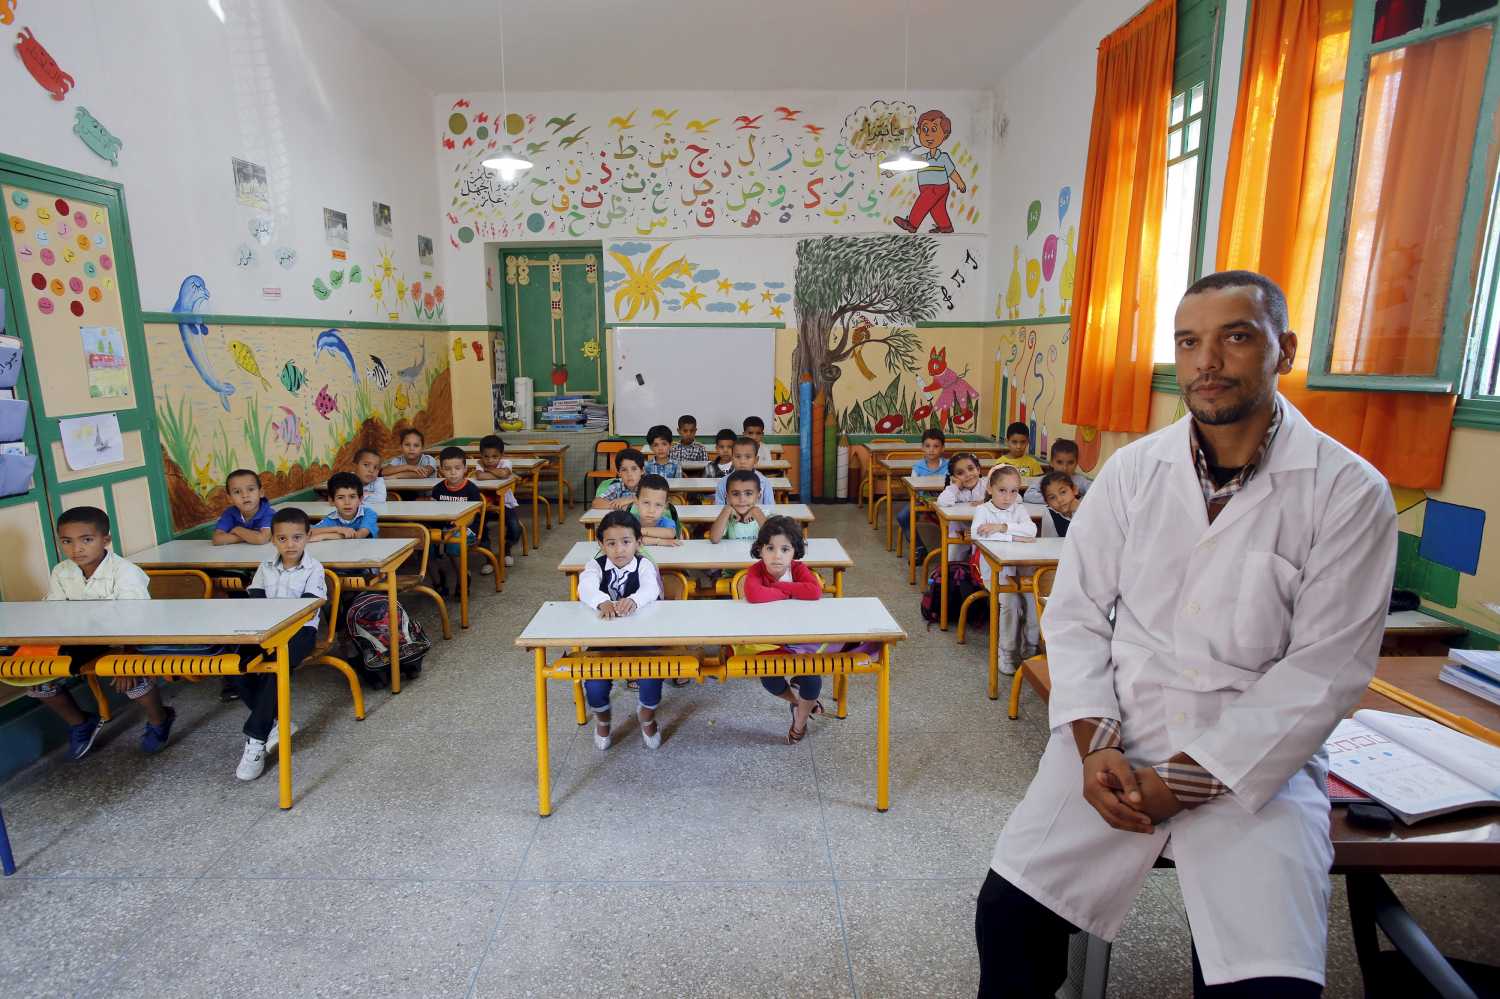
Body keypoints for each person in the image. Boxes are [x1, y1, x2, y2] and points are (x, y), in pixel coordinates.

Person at [975, 271, 1398, 997]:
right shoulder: (1135, 472)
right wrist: (1096, 741)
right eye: (1189, 342)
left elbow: (1326, 670)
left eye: (1236, 337)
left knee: (1263, 984)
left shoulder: (1347, 490)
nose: (1208, 361)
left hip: (1254, 765)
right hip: (1118, 740)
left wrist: (1185, 779)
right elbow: (1074, 613)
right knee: (1007, 920)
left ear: (1284, 350)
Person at [15, 507, 176, 758]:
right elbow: (53, 614)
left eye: (86, 540)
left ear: (106, 540)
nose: (76, 549)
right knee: (36, 675)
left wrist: (127, 655)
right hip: (80, 640)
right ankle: (81, 722)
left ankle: (159, 719)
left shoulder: (125, 573)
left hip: (127, 639)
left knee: (129, 674)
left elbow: (139, 622)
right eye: (67, 542)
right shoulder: (62, 571)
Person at [233, 507, 326, 781]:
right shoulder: (265, 567)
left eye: (297, 537)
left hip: (300, 633)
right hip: (265, 631)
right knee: (235, 665)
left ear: (308, 536)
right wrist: (269, 632)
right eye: (282, 539)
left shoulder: (314, 568)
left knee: (278, 666)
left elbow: (306, 608)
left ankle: (256, 737)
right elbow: (257, 602)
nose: (290, 544)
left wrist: (279, 632)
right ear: (273, 539)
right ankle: (276, 724)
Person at [578, 511, 664, 750]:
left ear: (638, 542)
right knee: (594, 685)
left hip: (641, 635)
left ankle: (646, 715)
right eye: (611, 543)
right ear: (601, 544)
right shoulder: (594, 565)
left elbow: (650, 588)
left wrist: (635, 600)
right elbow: (584, 587)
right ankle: (603, 719)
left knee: (652, 676)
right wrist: (600, 601)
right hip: (604, 637)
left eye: (626, 542)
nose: (619, 550)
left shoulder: (645, 565)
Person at [741, 516, 828, 744]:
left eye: (785, 549)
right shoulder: (756, 570)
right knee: (770, 679)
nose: (777, 555)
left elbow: (814, 591)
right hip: (768, 639)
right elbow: (754, 594)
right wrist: (791, 591)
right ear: (760, 550)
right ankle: (799, 704)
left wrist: (778, 587)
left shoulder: (798, 569)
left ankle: (799, 723)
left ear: (794, 552)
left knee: (812, 678)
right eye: (770, 548)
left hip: (800, 638)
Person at [970, 464, 1039, 675]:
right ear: (990, 488)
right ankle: (1007, 652)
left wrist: (1001, 528)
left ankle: (1031, 647)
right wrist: (1015, 537)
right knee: (1011, 603)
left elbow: (1031, 531)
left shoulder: (1019, 509)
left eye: (1014, 491)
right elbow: (978, 535)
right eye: (1002, 490)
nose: (1008, 497)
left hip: (1021, 568)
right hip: (995, 572)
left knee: (1033, 600)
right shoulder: (983, 510)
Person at [892, 109, 967, 234]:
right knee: (937, 209)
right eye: (925, 130)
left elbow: (952, 172)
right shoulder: (922, 158)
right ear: (919, 132)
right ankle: (946, 227)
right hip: (929, 187)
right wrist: (893, 172)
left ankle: (912, 224)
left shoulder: (943, 157)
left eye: (934, 130)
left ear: (945, 134)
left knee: (923, 203)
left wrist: (960, 183)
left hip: (937, 187)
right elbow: (907, 166)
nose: (929, 135)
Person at [428, 446, 482, 595]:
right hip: (442, 529)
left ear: (465, 468)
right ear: (441, 470)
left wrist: (459, 525)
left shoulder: (471, 489)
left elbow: (473, 516)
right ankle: (438, 583)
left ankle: (463, 578)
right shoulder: (438, 489)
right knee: (425, 545)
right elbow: (433, 512)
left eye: (457, 468)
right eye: (448, 468)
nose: (453, 472)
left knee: (453, 544)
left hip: (466, 529)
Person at [472, 434, 522, 569]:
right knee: (479, 527)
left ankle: (507, 547)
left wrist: (489, 470)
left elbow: (504, 474)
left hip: (505, 502)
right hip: (486, 504)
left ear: (501, 455)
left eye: (495, 457)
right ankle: (488, 557)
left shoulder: (506, 463)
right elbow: (480, 477)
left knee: (515, 527)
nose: (490, 460)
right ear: (481, 455)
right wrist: (496, 472)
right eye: (486, 457)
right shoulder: (479, 464)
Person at [896, 428, 950, 552]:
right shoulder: (918, 467)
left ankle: (952, 550)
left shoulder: (949, 466)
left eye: (936, 446)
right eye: (927, 446)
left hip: (946, 503)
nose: (931, 449)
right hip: (921, 501)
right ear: (922, 447)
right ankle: (918, 548)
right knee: (903, 516)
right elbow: (912, 488)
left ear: (942, 448)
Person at [931, 452, 985, 564]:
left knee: (983, 556)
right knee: (953, 556)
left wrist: (988, 501)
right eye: (960, 473)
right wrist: (955, 486)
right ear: (954, 477)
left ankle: (979, 575)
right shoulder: (954, 490)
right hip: (959, 530)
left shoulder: (988, 485)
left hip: (983, 530)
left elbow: (1017, 498)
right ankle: (953, 573)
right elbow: (942, 502)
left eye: (971, 469)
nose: (968, 474)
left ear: (978, 470)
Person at [212, 469, 273, 546]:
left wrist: (238, 530)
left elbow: (262, 539)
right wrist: (248, 537)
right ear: (230, 499)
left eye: (250, 489)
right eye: (237, 492)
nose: (245, 495)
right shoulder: (230, 513)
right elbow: (217, 539)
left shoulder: (268, 513)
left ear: (261, 493)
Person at [310, 472, 378, 541]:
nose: (347, 502)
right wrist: (337, 529)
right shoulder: (331, 519)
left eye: (352, 497)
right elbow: (307, 532)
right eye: (340, 497)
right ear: (332, 501)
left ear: (360, 499)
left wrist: (323, 536)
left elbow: (358, 536)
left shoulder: (368, 514)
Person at [1024, 439, 1089, 504]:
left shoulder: (1080, 481)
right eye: (1059, 462)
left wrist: (1078, 497)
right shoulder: (1045, 480)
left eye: (1070, 463)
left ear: (1076, 463)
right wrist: (1054, 499)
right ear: (1051, 462)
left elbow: (1095, 494)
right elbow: (1028, 496)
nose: (1065, 468)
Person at [713, 437, 774, 505]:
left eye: (748, 457)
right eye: (738, 457)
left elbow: (770, 510)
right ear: (732, 459)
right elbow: (718, 510)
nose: (742, 462)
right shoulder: (723, 483)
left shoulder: (765, 483)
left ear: (756, 460)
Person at [632, 474, 682, 547]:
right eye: (646, 503)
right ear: (636, 502)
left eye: (658, 505)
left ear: (665, 506)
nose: (651, 510)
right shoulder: (630, 521)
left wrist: (639, 531)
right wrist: (659, 541)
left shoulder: (666, 522)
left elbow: (670, 533)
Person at [1036, 471, 1081, 538]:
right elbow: (1049, 542)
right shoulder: (1049, 514)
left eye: (1063, 492)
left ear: (1074, 490)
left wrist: (1078, 511)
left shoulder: (1086, 508)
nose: (1059, 500)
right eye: (1052, 497)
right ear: (1047, 502)